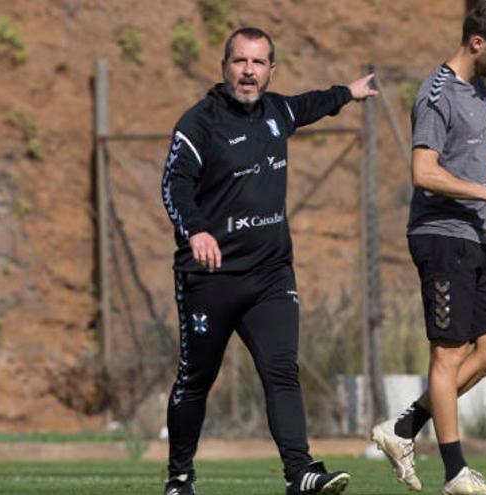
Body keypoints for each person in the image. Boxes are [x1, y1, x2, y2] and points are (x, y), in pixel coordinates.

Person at [160, 26, 377, 495]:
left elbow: (309, 104)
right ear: (224, 67)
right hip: (211, 278)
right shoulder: (198, 124)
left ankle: (300, 473)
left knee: (281, 370)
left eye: (258, 63)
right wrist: (195, 228)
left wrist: (348, 93)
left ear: (270, 70)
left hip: (271, 275)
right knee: (196, 378)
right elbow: (174, 184)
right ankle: (179, 478)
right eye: (240, 61)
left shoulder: (277, 111)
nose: (248, 72)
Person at [370, 2, 486, 494]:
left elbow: (475, 157)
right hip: (440, 237)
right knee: (447, 356)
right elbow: (424, 172)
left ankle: (404, 429)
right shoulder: (436, 94)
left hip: (473, 235)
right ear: (477, 43)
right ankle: (455, 474)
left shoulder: (477, 88)